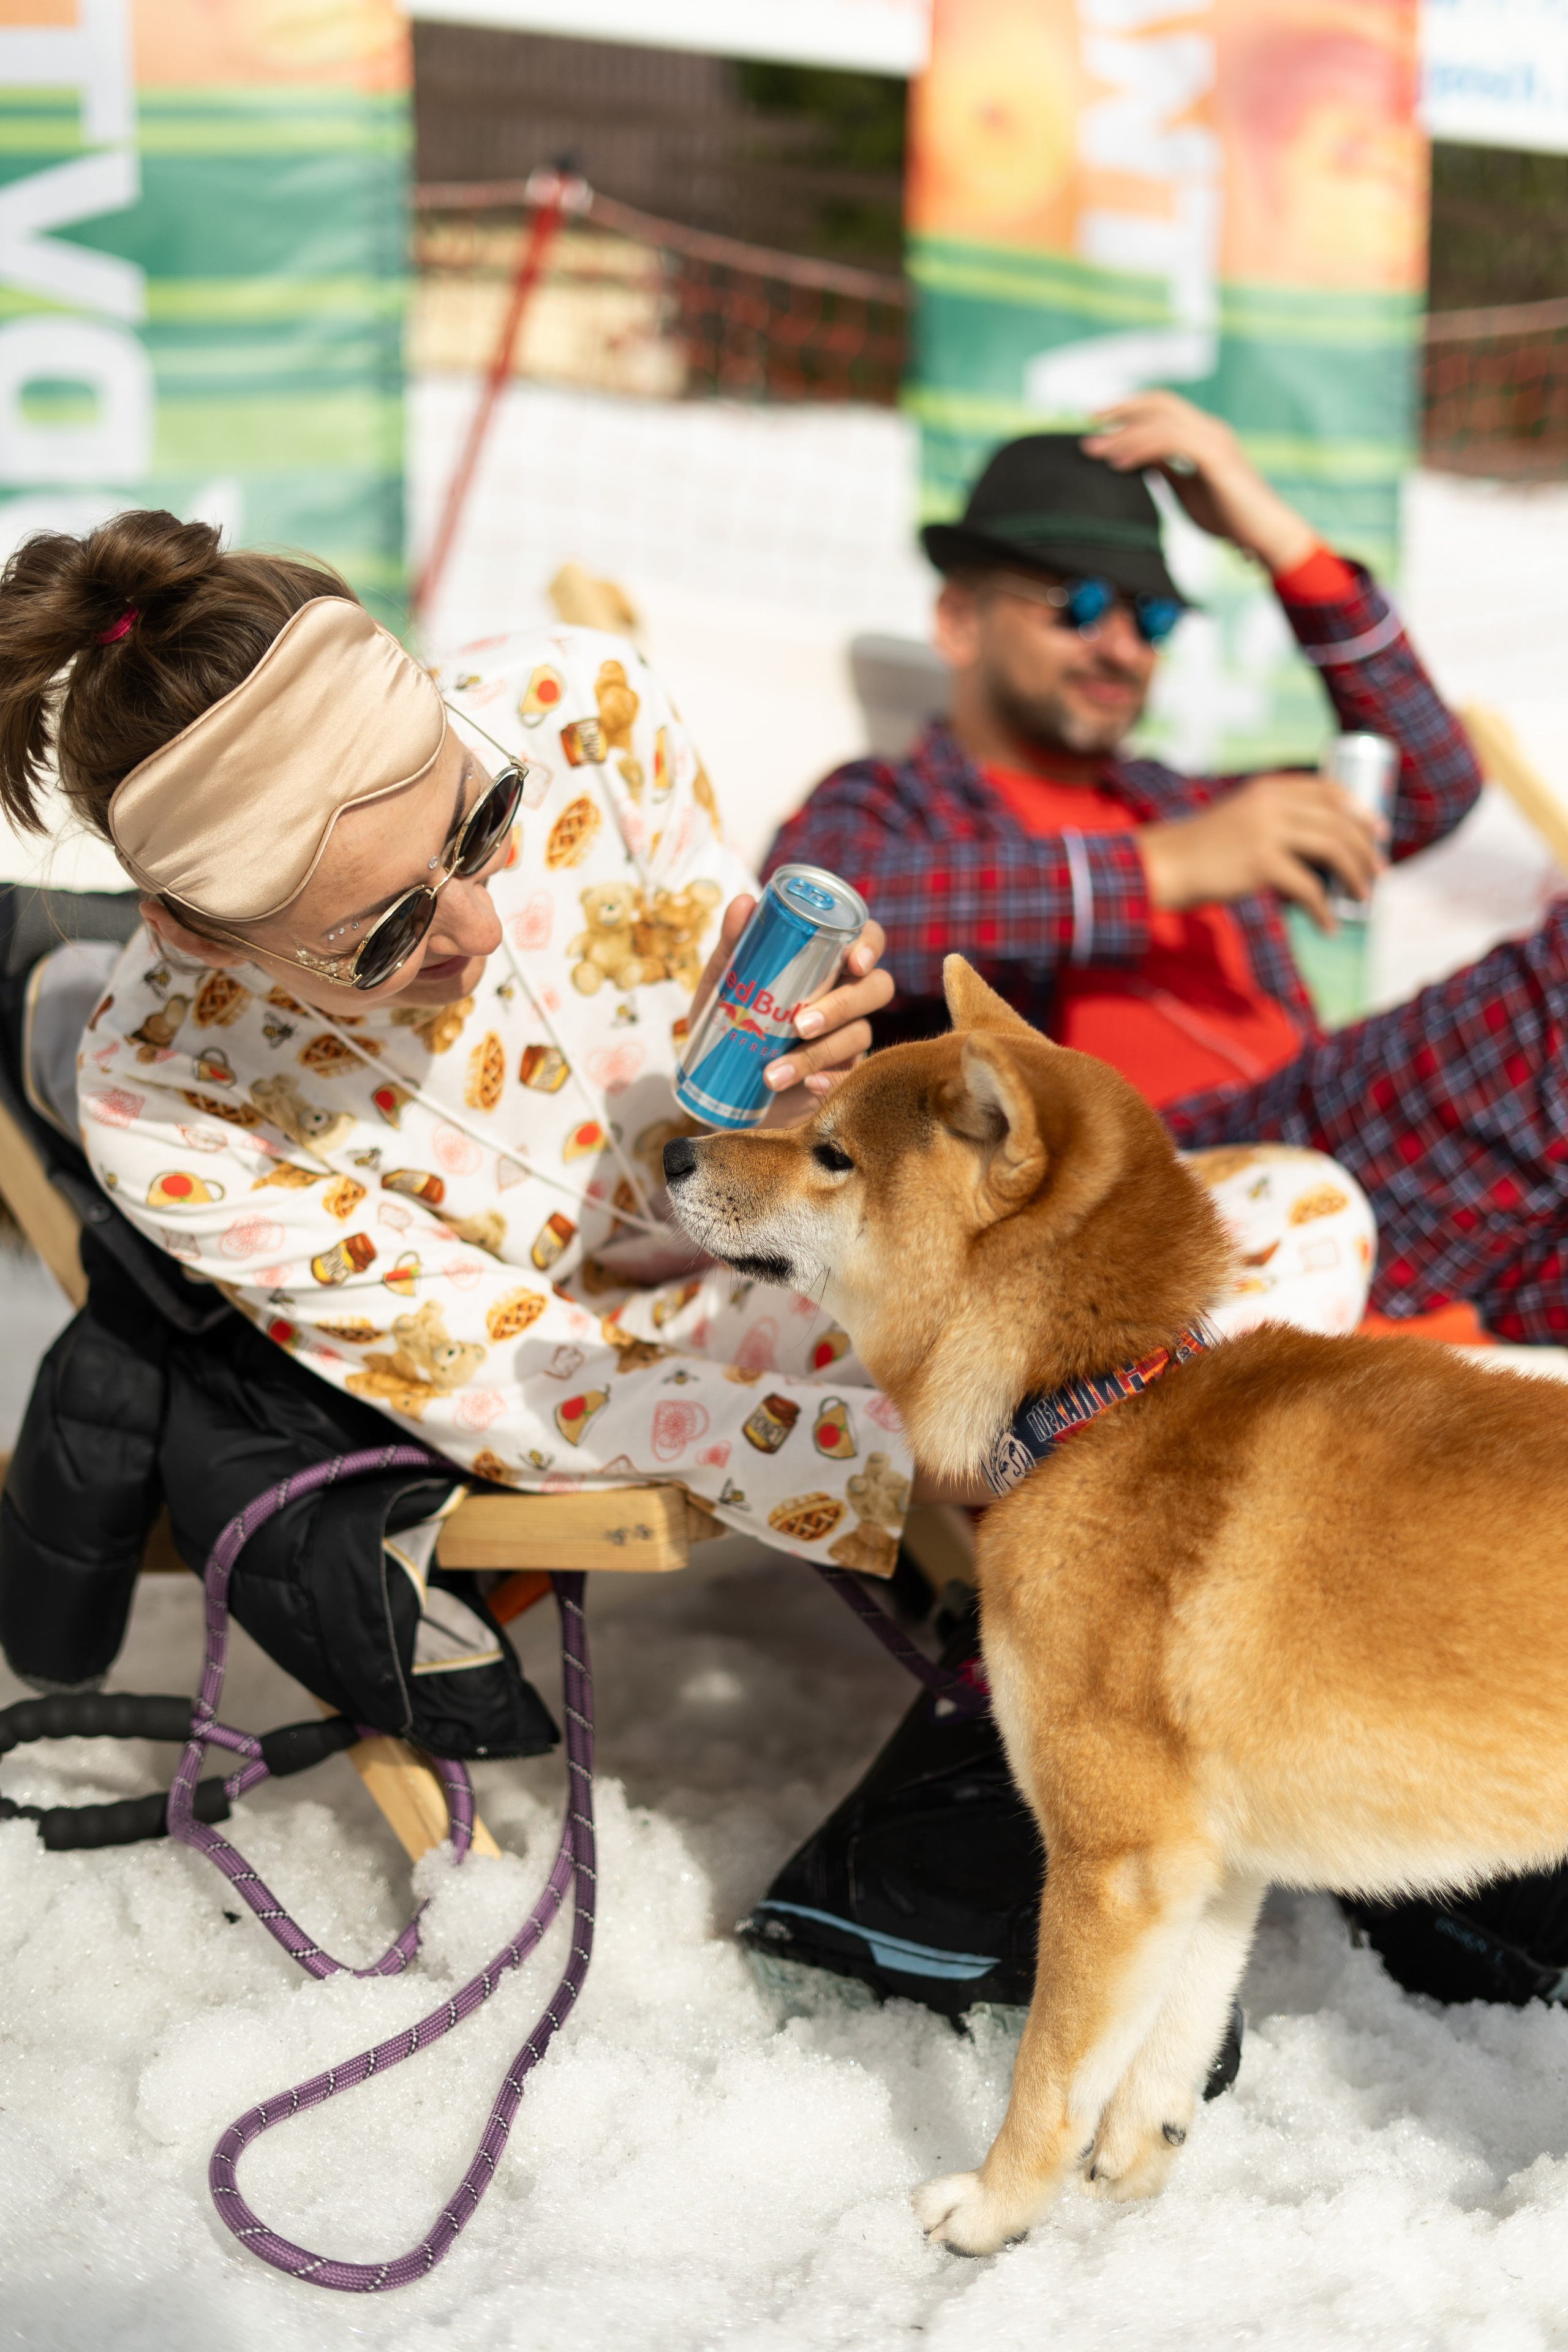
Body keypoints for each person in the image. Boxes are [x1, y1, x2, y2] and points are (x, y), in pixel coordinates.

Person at [769, 392, 1568, 1348]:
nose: (1120, 646)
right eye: (1079, 604)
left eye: (1149, 617)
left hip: (1367, 1193)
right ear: (959, 619)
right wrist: (1166, 869)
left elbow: (1431, 782)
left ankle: (1404, 1347)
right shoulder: (893, 804)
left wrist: (1276, 539)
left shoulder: (1187, 799)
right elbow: (831, 911)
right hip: (1137, 1196)